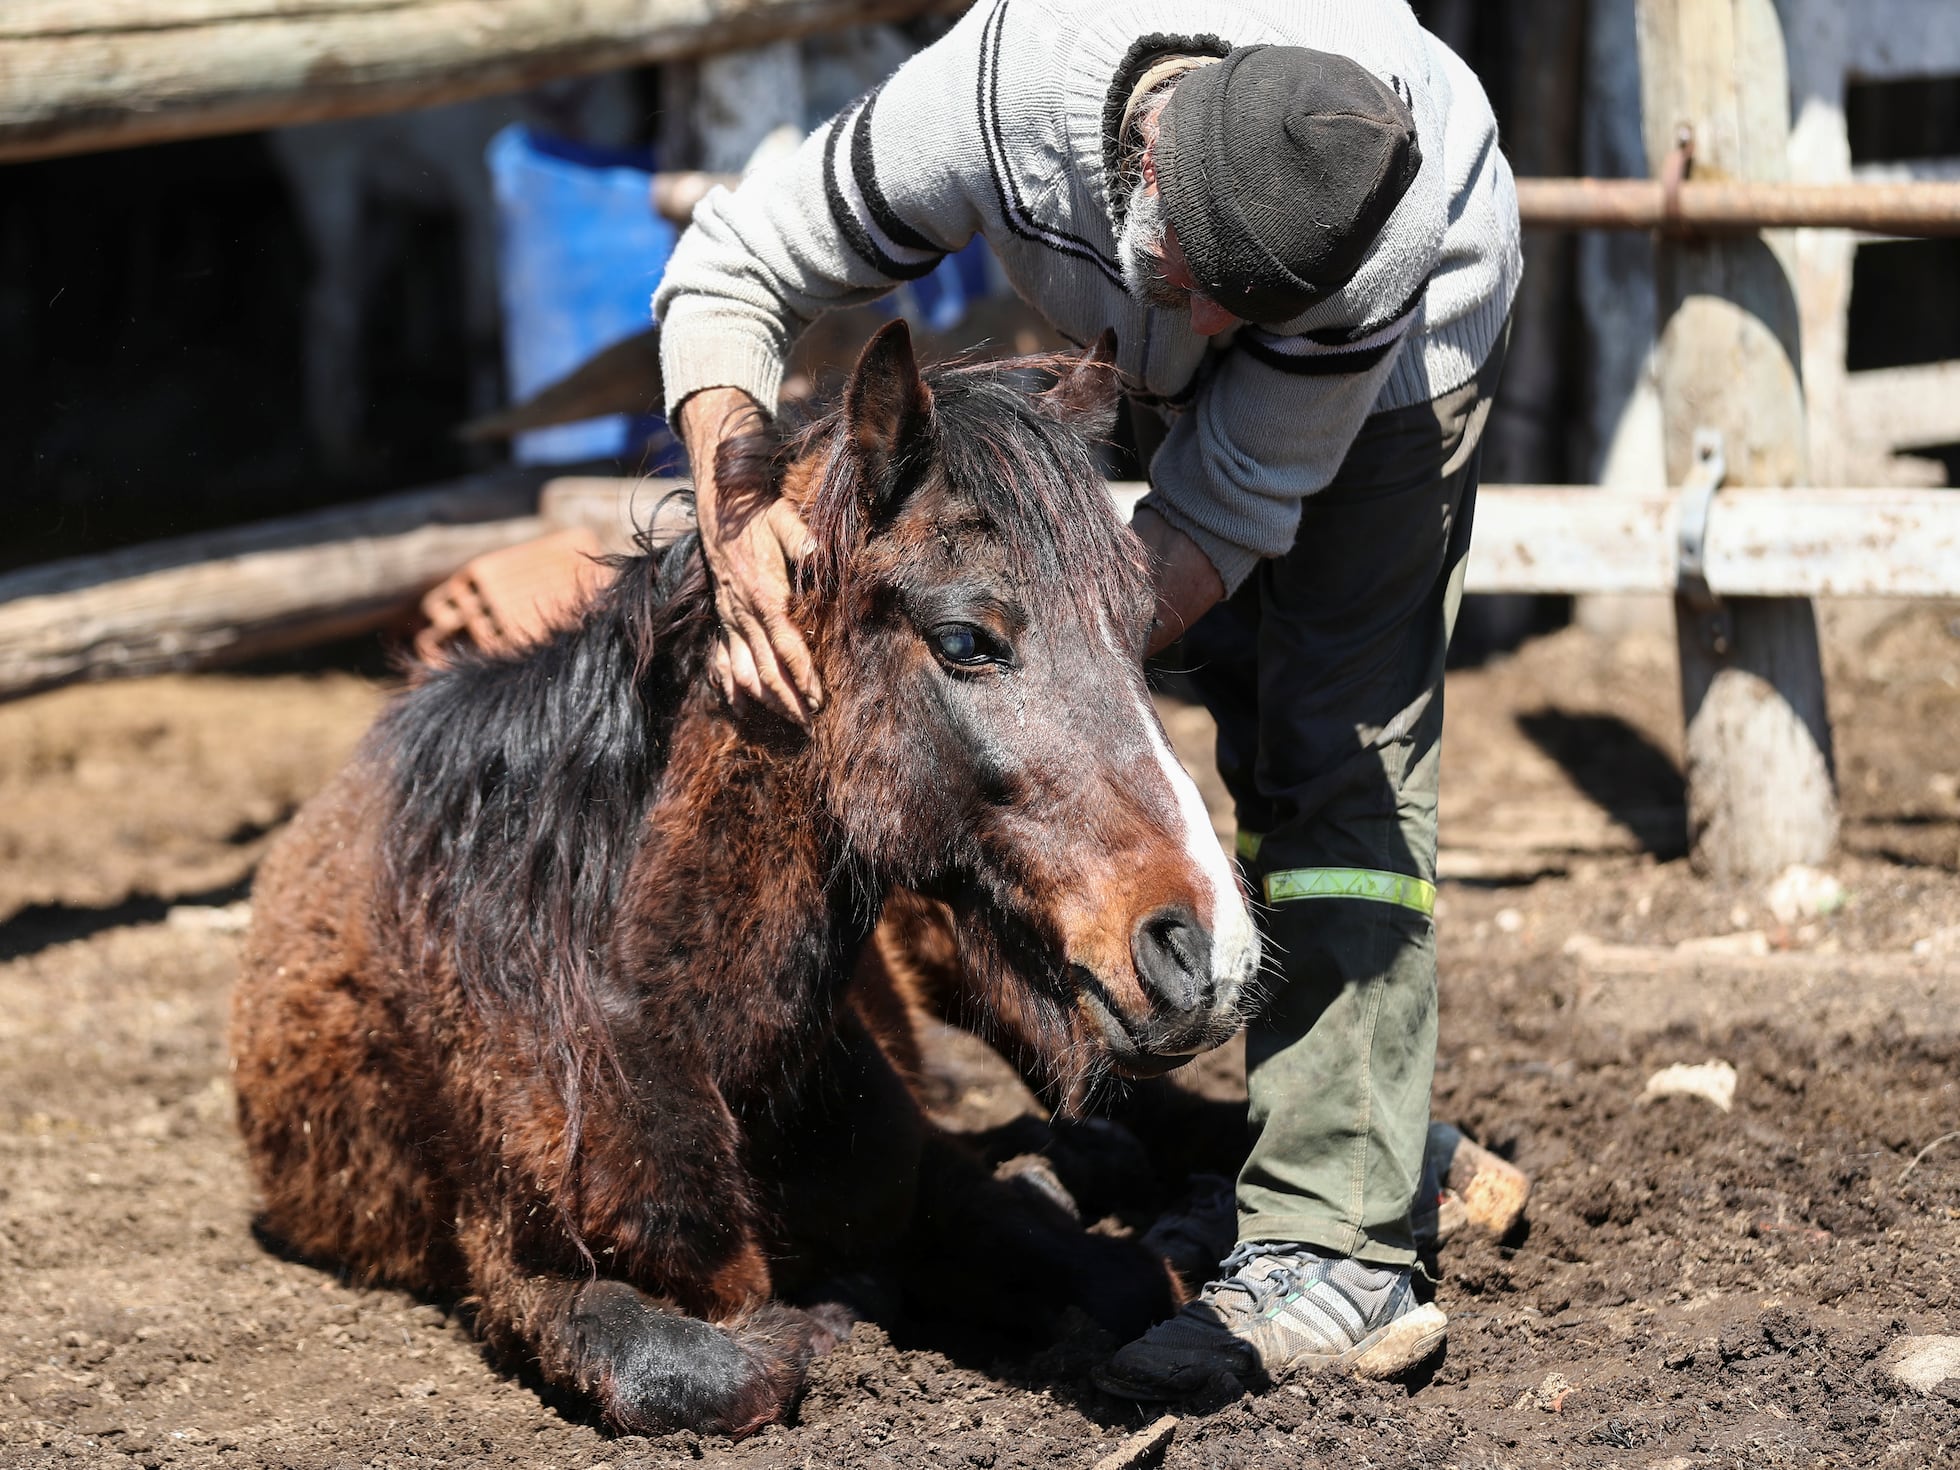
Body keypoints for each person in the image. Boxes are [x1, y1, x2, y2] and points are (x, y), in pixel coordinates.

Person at [651, 0, 1520, 1398]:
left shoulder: (1373, 259)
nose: (1217, 334)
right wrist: (739, 503)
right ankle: (1358, 1101)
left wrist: (1038, 706)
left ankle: (1338, 1243)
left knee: (1326, 748)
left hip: (1402, 355)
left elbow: (1223, 512)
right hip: (1138, 260)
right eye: (1198, 287)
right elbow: (734, 262)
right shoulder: (992, 99)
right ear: (1151, 166)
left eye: (1249, 313)